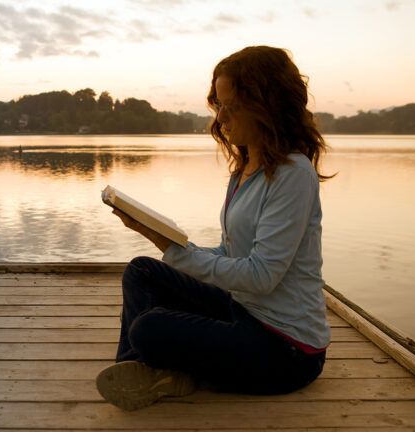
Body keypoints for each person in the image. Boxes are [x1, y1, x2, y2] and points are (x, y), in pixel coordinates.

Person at [95, 45, 334, 411]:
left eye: (231, 106)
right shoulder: (245, 170)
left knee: (149, 328)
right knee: (142, 271)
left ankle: (154, 371)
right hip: (244, 311)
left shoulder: (293, 174)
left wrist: (177, 251)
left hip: (286, 349)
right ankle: (139, 370)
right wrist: (161, 239)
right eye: (218, 105)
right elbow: (230, 254)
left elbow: (261, 276)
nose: (221, 117)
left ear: (266, 105)